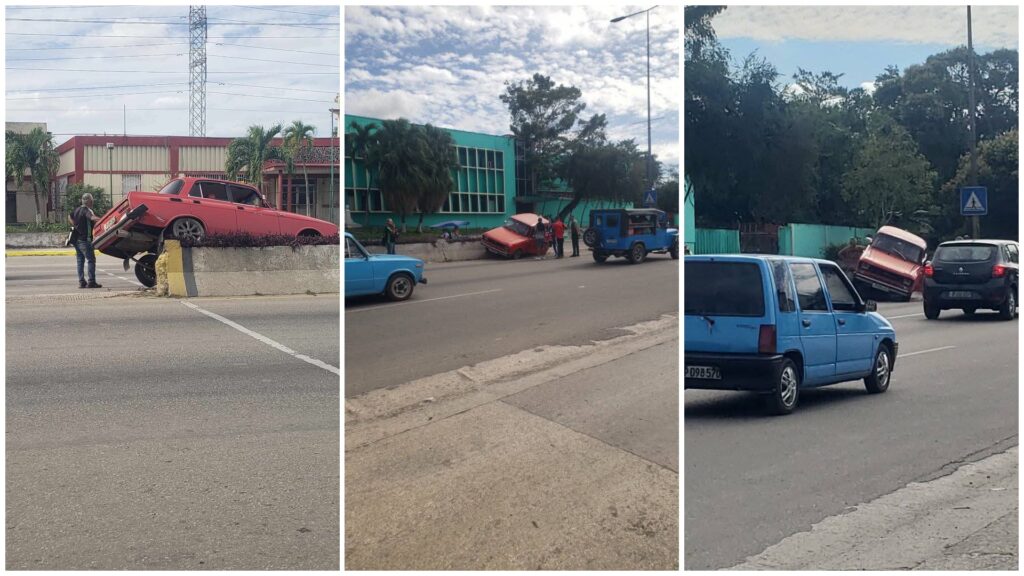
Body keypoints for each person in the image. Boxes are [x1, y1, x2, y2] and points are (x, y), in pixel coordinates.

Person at [68, 193, 102, 289]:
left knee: (80, 260)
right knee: (91, 260)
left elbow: (69, 216)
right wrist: (103, 220)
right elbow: (92, 218)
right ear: (90, 201)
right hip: (84, 240)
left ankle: (81, 282)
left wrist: (74, 224)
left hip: (76, 240)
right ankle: (91, 282)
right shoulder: (86, 210)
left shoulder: (77, 209)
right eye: (92, 201)